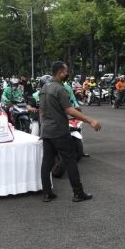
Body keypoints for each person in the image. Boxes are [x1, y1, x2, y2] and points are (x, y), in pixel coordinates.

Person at [40, 61, 100, 203]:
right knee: (70, 161)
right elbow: (69, 109)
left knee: (46, 163)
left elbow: (43, 112)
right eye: (66, 71)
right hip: (59, 131)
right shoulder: (61, 89)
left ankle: (47, 193)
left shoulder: (44, 88)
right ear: (60, 73)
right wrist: (90, 120)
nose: (68, 74)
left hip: (47, 131)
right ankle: (78, 193)